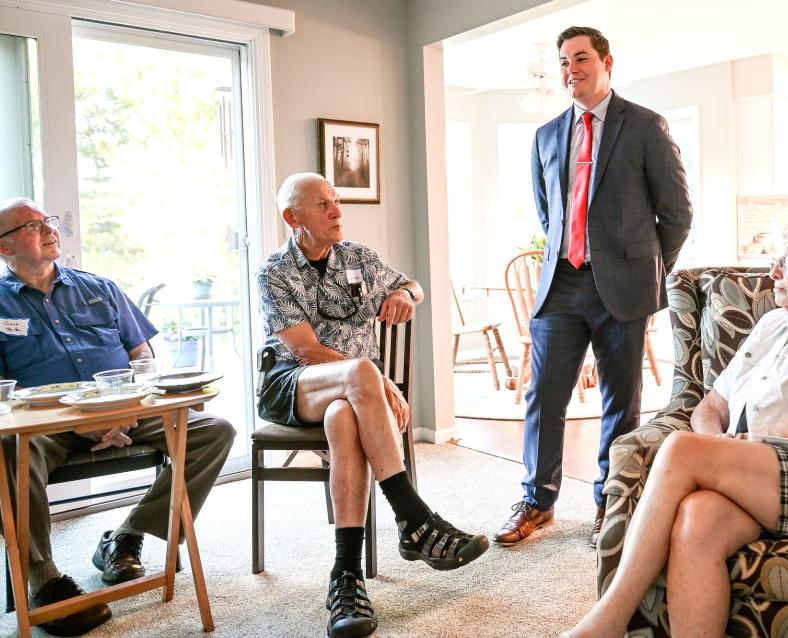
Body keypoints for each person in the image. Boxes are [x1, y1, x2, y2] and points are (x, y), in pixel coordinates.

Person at [564, 218, 788, 637]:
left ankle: (609, 619)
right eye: (776, 261)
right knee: (696, 518)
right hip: (762, 473)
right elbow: (710, 406)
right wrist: (719, 451)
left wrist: (741, 445)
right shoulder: (772, 325)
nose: (773, 272)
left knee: (680, 450)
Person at [256, 172, 488, 638]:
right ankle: (414, 518)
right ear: (292, 217)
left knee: (345, 418)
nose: (337, 211)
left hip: (348, 399)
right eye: (323, 205)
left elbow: (415, 285)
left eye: (337, 200)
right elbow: (305, 350)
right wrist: (380, 382)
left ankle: (345, 577)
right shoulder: (273, 272)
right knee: (361, 373)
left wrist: (404, 294)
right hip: (293, 385)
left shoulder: (359, 257)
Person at [0, 197, 236, 637]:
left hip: (125, 411)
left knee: (213, 431)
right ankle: (44, 580)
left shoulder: (99, 287)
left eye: (48, 220)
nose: (49, 229)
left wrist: (125, 412)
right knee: (10, 452)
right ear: (5, 248)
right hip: (44, 426)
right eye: (33, 226)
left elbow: (142, 356)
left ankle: (126, 534)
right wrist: (74, 421)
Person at [494, 26, 693, 549]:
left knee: (619, 402)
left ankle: (612, 498)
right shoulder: (546, 135)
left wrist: (646, 268)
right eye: (563, 61)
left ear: (607, 62)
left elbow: (676, 213)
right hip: (560, 284)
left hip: (621, 288)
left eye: (580, 58)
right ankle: (537, 500)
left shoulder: (647, 126)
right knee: (543, 397)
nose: (569, 69)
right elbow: (548, 212)